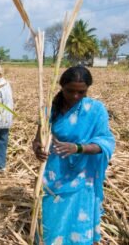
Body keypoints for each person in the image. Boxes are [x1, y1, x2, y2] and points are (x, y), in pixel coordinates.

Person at [32, 66, 115, 244]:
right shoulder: (48, 110)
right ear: (62, 86)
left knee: (77, 222)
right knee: (50, 221)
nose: (76, 96)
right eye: (70, 91)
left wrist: (78, 148)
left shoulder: (95, 110)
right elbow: (38, 140)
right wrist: (38, 149)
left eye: (81, 92)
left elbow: (106, 142)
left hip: (82, 177)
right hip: (53, 175)